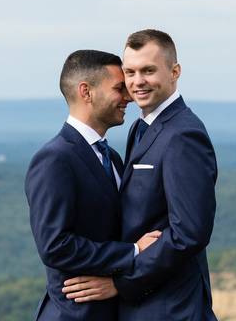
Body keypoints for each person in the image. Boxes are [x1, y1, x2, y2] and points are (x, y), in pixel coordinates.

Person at [63, 30, 219, 321]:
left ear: (175, 72)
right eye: (130, 72)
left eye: (148, 71)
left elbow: (190, 234)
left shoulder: (183, 134)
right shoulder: (139, 128)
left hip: (173, 308)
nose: (137, 82)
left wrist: (123, 283)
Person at [25, 49, 162, 321]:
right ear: (86, 92)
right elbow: (56, 246)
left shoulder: (111, 157)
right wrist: (133, 251)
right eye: (119, 88)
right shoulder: (55, 159)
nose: (128, 98)